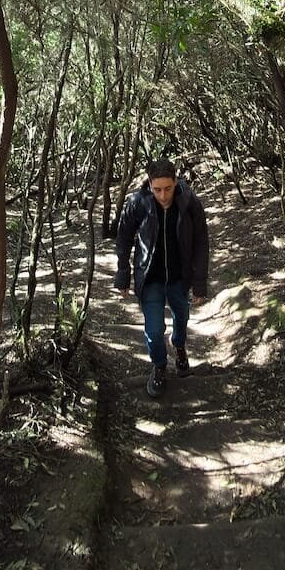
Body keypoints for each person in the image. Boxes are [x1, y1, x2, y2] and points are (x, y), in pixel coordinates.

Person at [114, 158, 209, 397]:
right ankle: (158, 366)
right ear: (149, 184)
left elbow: (201, 243)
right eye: (158, 189)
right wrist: (123, 275)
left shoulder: (189, 203)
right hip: (150, 278)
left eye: (168, 188)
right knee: (154, 330)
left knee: (182, 317)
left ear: (176, 182)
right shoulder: (137, 203)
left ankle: (179, 346)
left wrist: (199, 284)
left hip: (180, 277)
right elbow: (123, 239)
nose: (163, 195)